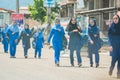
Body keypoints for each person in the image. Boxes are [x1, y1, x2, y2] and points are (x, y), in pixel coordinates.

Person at [108, 15, 120, 79]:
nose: (115, 20)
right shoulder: (111, 27)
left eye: (116, 18)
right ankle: (111, 69)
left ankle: (119, 73)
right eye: (114, 18)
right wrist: (110, 45)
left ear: (118, 19)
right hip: (114, 46)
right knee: (113, 60)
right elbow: (109, 37)